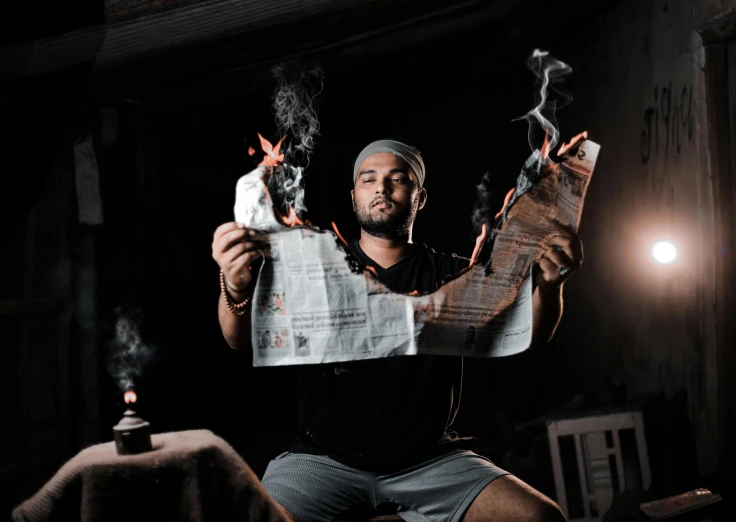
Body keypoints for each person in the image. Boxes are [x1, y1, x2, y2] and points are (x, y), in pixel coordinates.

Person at [211, 139, 583, 522]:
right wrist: (235, 286)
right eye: (368, 179)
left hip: (430, 462)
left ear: (420, 197)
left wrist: (552, 286)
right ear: (354, 196)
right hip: (322, 460)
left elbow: (532, 336)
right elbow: (236, 338)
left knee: (539, 517)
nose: (382, 188)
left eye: (397, 178)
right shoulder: (315, 269)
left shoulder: (455, 274)